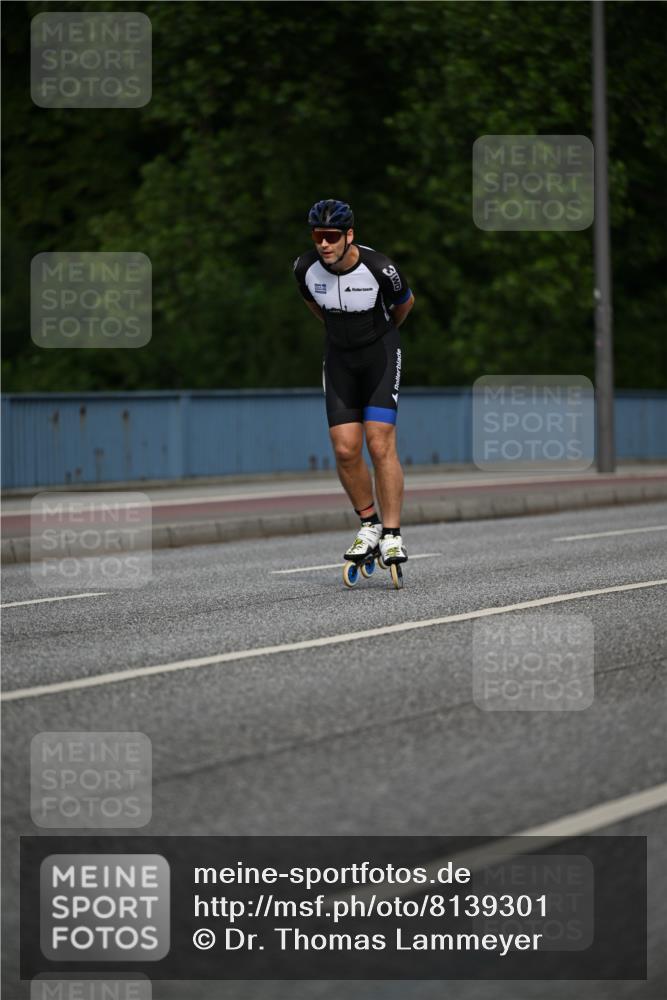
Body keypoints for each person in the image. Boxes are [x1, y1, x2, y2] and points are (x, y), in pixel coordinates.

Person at [293, 198, 415, 569]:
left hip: (379, 352)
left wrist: (379, 336)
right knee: (346, 449)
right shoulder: (304, 268)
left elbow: (404, 305)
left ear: (349, 235)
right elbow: (315, 307)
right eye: (318, 236)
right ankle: (370, 525)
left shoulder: (382, 269)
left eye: (331, 236)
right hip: (340, 358)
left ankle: (393, 534)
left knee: (379, 443)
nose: (324, 244)